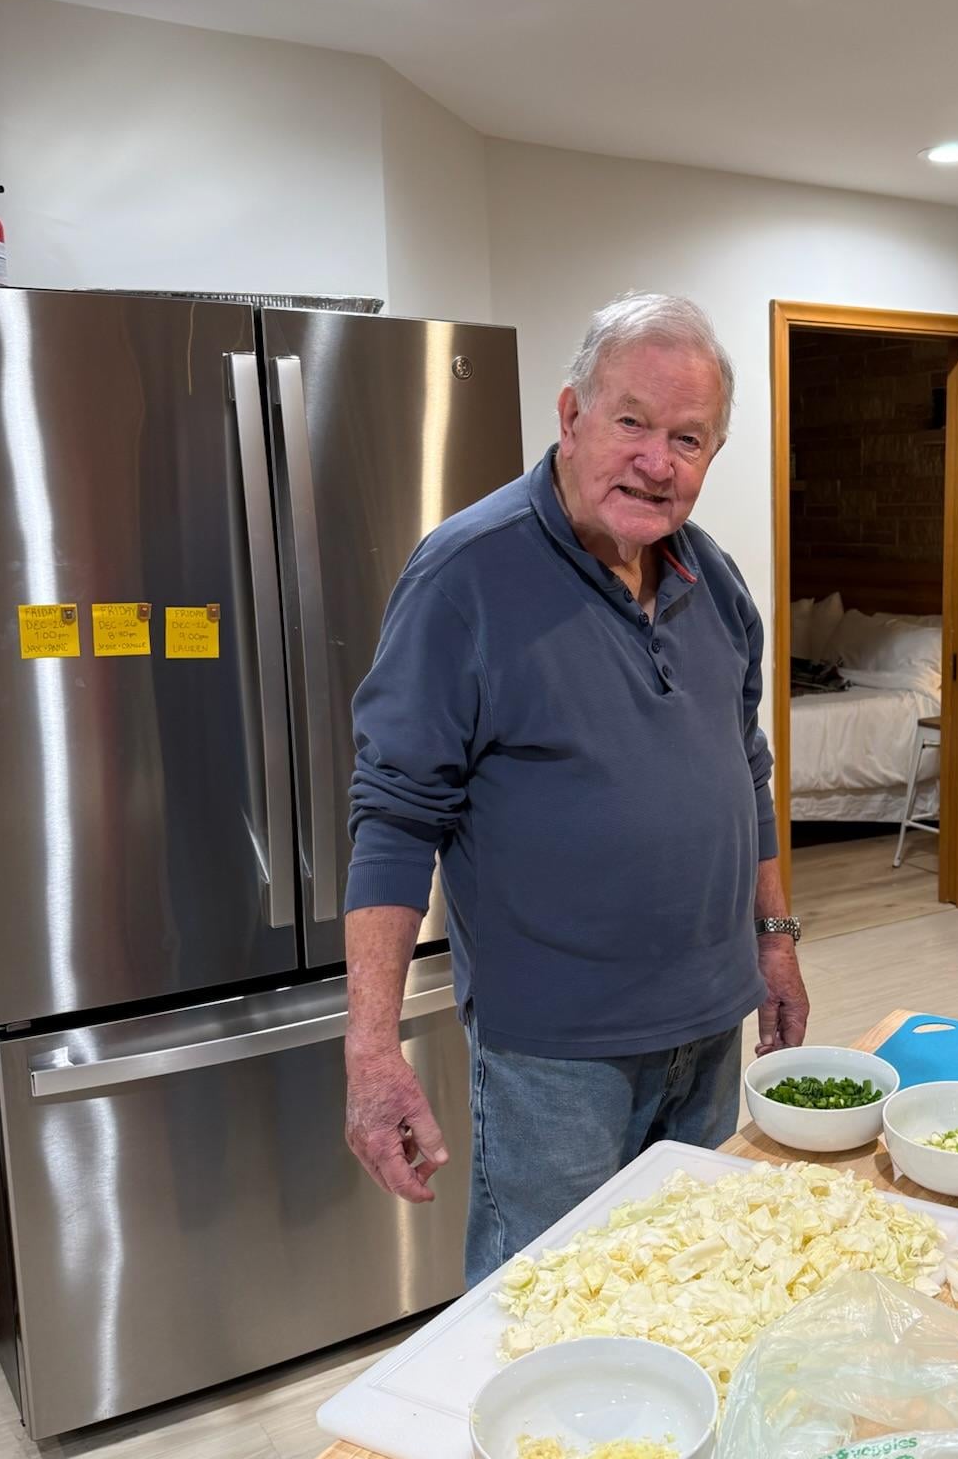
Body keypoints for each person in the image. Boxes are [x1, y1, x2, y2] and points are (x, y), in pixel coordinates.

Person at [342, 292, 809, 1282]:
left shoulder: (715, 580)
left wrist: (774, 941)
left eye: (688, 437)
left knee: (684, 1289)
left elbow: (747, 769)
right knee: (545, 1311)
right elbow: (393, 817)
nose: (657, 459)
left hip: (707, 1025)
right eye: (632, 420)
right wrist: (373, 1051)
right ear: (570, 415)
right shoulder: (465, 575)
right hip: (559, 1055)